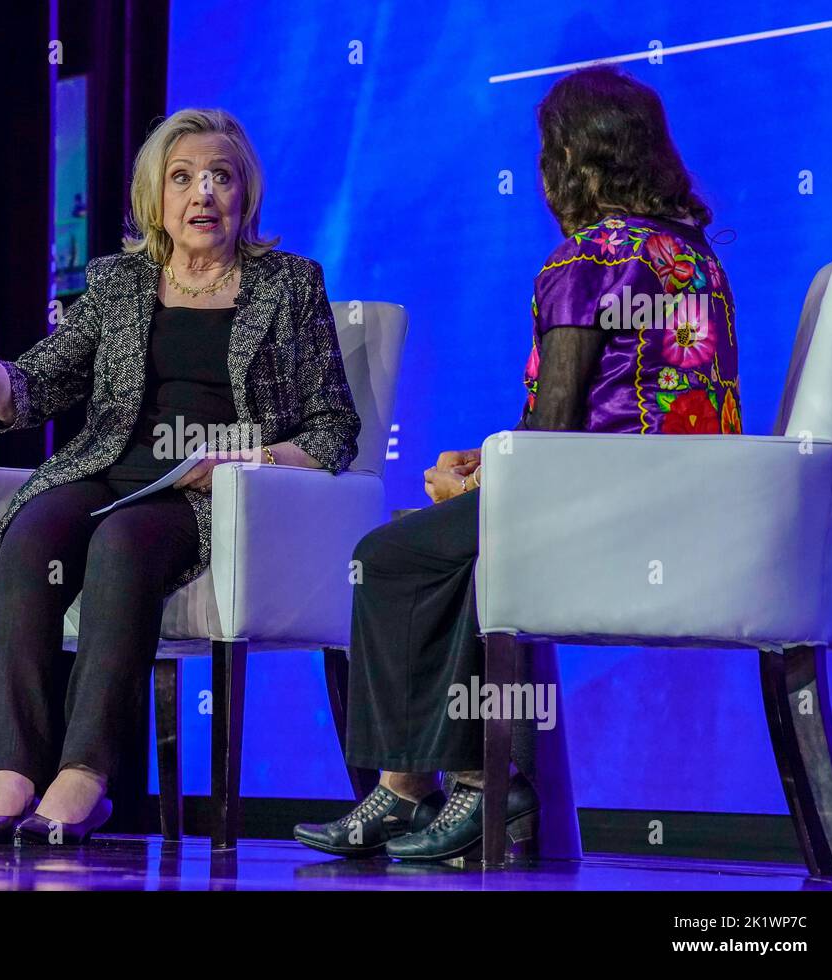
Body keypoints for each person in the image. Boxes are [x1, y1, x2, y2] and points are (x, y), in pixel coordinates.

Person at [295, 65, 741, 862]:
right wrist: (487, 466)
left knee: (387, 555)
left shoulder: (586, 259)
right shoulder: (691, 258)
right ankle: (432, 788)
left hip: (597, 512)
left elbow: (556, 430)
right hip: (684, 512)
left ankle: (454, 784)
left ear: (570, 162)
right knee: (448, 543)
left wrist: (478, 479)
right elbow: (606, 406)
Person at [0, 108, 361, 844]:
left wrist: (250, 459)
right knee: (28, 536)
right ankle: (9, 773)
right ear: (157, 201)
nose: (203, 192)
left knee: (124, 544)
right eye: (183, 178)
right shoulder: (117, 284)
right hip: (108, 471)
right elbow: (37, 386)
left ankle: (85, 776)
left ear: (245, 197)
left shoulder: (291, 285)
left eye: (220, 177)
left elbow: (334, 430)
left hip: (206, 493)